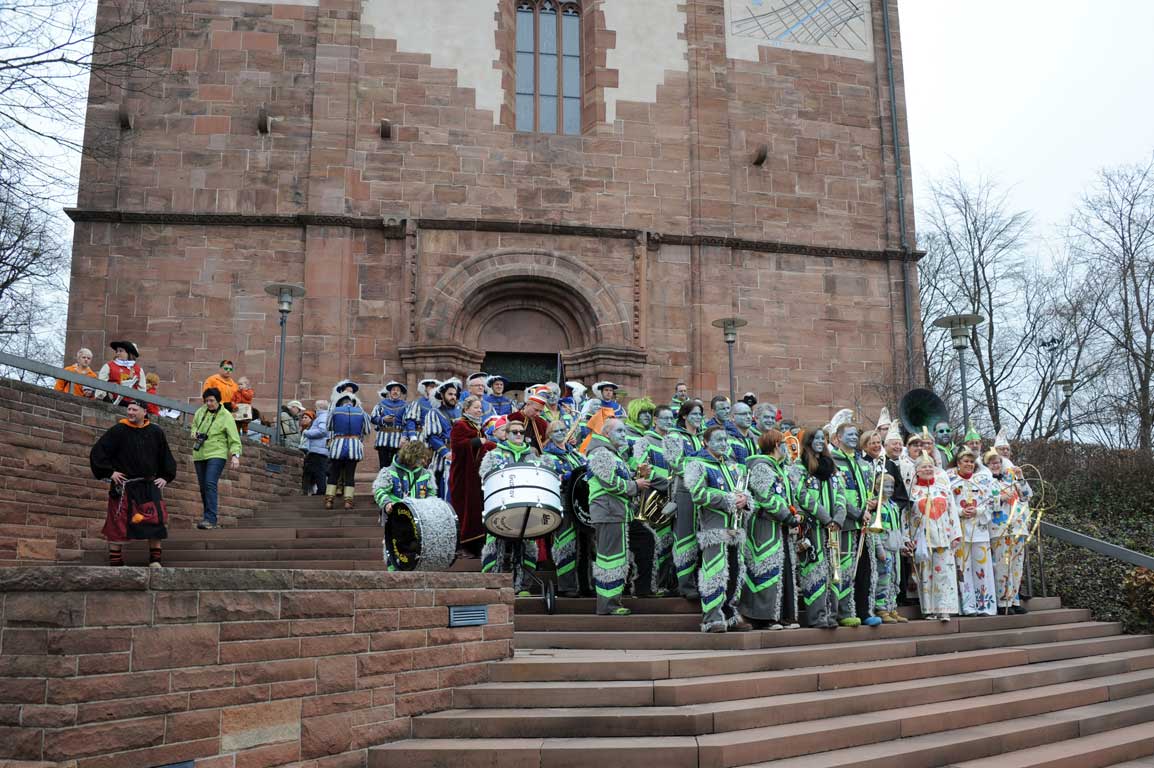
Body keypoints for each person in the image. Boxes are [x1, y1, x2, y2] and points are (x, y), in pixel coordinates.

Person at [89, 401, 177, 567]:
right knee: (117, 523)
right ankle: (116, 562)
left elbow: (165, 456)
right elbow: (98, 452)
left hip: (149, 486)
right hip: (124, 487)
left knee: (155, 521)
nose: (130, 412)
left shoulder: (156, 432)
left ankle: (155, 561)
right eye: (128, 409)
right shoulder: (118, 430)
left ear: (144, 412)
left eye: (134, 410)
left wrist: (165, 476)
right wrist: (110, 472)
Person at [685, 425, 752, 633]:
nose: (723, 444)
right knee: (714, 573)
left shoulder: (733, 466)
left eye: (725, 440)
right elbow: (698, 494)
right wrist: (729, 500)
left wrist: (745, 500)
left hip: (735, 528)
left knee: (734, 573)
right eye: (718, 440)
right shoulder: (698, 464)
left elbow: (743, 492)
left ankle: (730, 614)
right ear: (706, 442)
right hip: (714, 528)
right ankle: (712, 618)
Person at [585, 418, 649, 616]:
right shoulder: (600, 452)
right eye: (619, 431)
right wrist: (635, 486)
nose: (624, 435)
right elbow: (610, 483)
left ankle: (612, 602)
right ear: (606, 434)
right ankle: (608, 605)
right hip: (608, 512)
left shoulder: (612, 453)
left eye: (624, 431)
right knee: (610, 559)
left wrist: (638, 474)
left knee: (616, 557)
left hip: (615, 512)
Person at [740, 428, 802, 630]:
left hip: (780, 526)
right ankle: (763, 617)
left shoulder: (778, 468)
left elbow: (787, 496)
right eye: (784, 443)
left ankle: (783, 615)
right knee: (765, 567)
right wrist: (787, 516)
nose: (787, 447)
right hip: (764, 525)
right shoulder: (761, 467)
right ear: (776, 445)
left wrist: (795, 513)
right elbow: (766, 498)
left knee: (782, 569)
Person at [478, 419, 544, 594]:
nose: (518, 435)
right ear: (506, 435)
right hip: (500, 506)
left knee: (527, 544)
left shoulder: (532, 455)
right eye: (514, 432)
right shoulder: (494, 454)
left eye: (521, 432)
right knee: (495, 543)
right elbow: (484, 476)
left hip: (527, 506)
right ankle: (492, 584)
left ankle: (522, 586)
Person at [794, 426, 842, 629]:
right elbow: (801, 495)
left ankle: (832, 614)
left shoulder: (831, 467)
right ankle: (817, 616)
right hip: (814, 527)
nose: (821, 441)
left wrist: (838, 518)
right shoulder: (799, 466)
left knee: (833, 571)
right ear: (809, 441)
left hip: (833, 528)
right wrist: (824, 517)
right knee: (815, 571)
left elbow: (840, 494)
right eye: (817, 438)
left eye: (824, 438)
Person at [907, 453, 962, 621]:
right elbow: (906, 517)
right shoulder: (912, 491)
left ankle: (944, 609)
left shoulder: (944, 490)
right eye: (923, 466)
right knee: (925, 575)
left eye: (930, 466)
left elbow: (953, 512)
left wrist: (956, 534)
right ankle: (929, 609)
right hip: (922, 540)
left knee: (944, 573)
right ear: (916, 470)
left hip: (943, 537)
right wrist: (906, 538)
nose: (927, 469)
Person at [629, 404, 675, 597]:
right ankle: (649, 585)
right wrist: (667, 482)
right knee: (653, 542)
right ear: (655, 420)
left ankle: (663, 584)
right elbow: (641, 467)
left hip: (672, 499)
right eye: (664, 418)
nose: (668, 422)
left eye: (671, 418)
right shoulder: (644, 441)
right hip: (651, 498)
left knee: (668, 543)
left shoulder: (675, 442)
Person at [543, 418, 591, 597]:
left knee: (587, 543)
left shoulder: (576, 453)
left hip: (582, 503)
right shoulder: (547, 456)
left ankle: (586, 585)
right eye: (556, 431)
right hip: (563, 502)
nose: (561, 433)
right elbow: (551, 478)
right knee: (566, 543)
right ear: (549, 435)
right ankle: (567, 587)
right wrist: (568, 476)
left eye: (563, 429)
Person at [948, 447, 997, 616]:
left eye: (971, 462)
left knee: (982, 568)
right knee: (963, 570)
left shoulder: (982, 482)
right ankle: (968, 606)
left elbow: (991, 502)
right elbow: (947, 504)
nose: (969, 464)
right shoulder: (950, 481)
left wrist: (979, 510)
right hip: (960, 532)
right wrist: (960, 512)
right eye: (965, 461)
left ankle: (985, 605)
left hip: (980, 532)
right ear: (958, 463)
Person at [373, 440, 435, 567]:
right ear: (412, 457)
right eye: (421, 458)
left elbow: (431, 495)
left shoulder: (427, 474)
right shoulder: (388, 472)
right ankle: (393, 573)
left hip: (419, 520)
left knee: (416, 552)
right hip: (396, 519)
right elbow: (379, 490)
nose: (425, 462)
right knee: (394, 550)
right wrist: (387, 503)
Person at [986, 449, 1033, 616]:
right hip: (1000, 530)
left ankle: (1014, 599)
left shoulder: (1011, 481)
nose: (996, 465)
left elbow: (1027, 496)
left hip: (1018, 528)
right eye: (992, 463)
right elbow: (986, 503)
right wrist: (1000, 499)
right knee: (1002, 565)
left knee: (1016, 565)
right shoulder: (986, 482)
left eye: (998, 462)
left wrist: (1020, 478)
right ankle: (1002, 601)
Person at [190, 387, 242, 530]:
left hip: (217, 453)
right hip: (200, 453)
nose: (209, 403)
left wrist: (235, 456)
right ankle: (208, 517)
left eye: (212, 400)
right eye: (206, 400)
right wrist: (194, 433)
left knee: (210, 483)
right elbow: (194, 426)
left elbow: (234, 438)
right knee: (203, 487)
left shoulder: (226, 415)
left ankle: (210, 519)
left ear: (218, 400)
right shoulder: (201, 411)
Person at [669, 400, 705, 599]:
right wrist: (699, 473)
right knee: (685, 537)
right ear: (684, 416)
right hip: (685, 491)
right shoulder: (675, 436)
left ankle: (699, 582)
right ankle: (685, 585)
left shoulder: (702, 436)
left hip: (704, 492)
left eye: (700, 414)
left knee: (701, 538)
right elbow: (676, 463)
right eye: (694, 414)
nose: (698, 417)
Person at [450, 394, 491, 557]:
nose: (479, 411)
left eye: (480, 408)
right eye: (476, 408)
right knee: (467, 508)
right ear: (466, 409)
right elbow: (457, 446)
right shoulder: (461, 425)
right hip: (463, 475)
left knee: (477, 508)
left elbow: (485, 444)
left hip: (475, 475)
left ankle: (478, 545)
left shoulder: (477, 427)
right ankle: (468, 545)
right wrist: (477, 442)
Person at [325, 380, 370, 510]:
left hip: (338, 443)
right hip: (354, 445)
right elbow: (366, 430)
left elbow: (329, 427)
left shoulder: (335, 410)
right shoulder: (361, 413)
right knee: (350, 474)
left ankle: (329, 500)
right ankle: (348, 502)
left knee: (334, 472)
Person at [424, 378, 461, 501]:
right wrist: (446, 453)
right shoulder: (434, 413)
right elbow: (432, 437)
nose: (453, 397)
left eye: (455, 394)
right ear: (442, 395)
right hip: (442, 459)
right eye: (450, 394)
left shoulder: (461, 413)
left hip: (460, 456)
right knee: (441, 493)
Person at [371, 381, 409, 469]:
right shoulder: (381, 404)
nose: (395, 392)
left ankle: (395, 482)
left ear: (400, 393)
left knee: (397, 466)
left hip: (398, 440)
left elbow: (408, 423)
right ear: (390, 392)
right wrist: (382, 419)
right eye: (393, 390)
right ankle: (383, 482)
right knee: (383, 466)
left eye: (398, 390)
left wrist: (404, 437)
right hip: (383, 439)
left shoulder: (405, 406)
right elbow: (373, 418)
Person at [98, 340, 146, 405]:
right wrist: (105, 399)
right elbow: (101, 384)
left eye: (121, 351)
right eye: (117, 351)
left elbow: (142, 390)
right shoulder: (109, 366)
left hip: (131, 404)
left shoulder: (138, 370)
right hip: (113, 401)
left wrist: (141, 403)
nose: (118, 353)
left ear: (128, 353)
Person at [300, 408, 328, 495]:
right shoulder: (321, 418)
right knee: (315, 472)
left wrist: (307, 433)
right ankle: (316, 490)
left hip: (318, 450)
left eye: (306, 417)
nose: (303, 419)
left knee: (318, 472)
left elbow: (322, 431)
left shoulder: (322, 417)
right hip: (317, 450)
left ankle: (321, 491)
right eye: (303, 418)